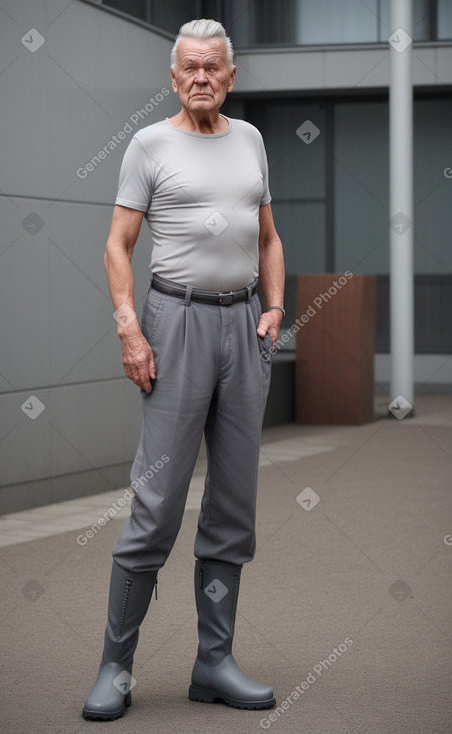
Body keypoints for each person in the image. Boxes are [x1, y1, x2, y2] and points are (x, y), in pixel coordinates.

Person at [82, 18, 285, 721]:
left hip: (241, 325)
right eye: (189, 68)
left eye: (213, 68)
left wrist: (275, 304)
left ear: (231, 77)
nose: (201, 77)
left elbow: (266, 233)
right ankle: (115, 668)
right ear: (173, 78)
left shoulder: (251, 141)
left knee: (232, 506)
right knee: (158, 502)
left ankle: (214, 662)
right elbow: (116, 245)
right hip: (175, 321)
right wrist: (129, 330)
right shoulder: (149, 144)